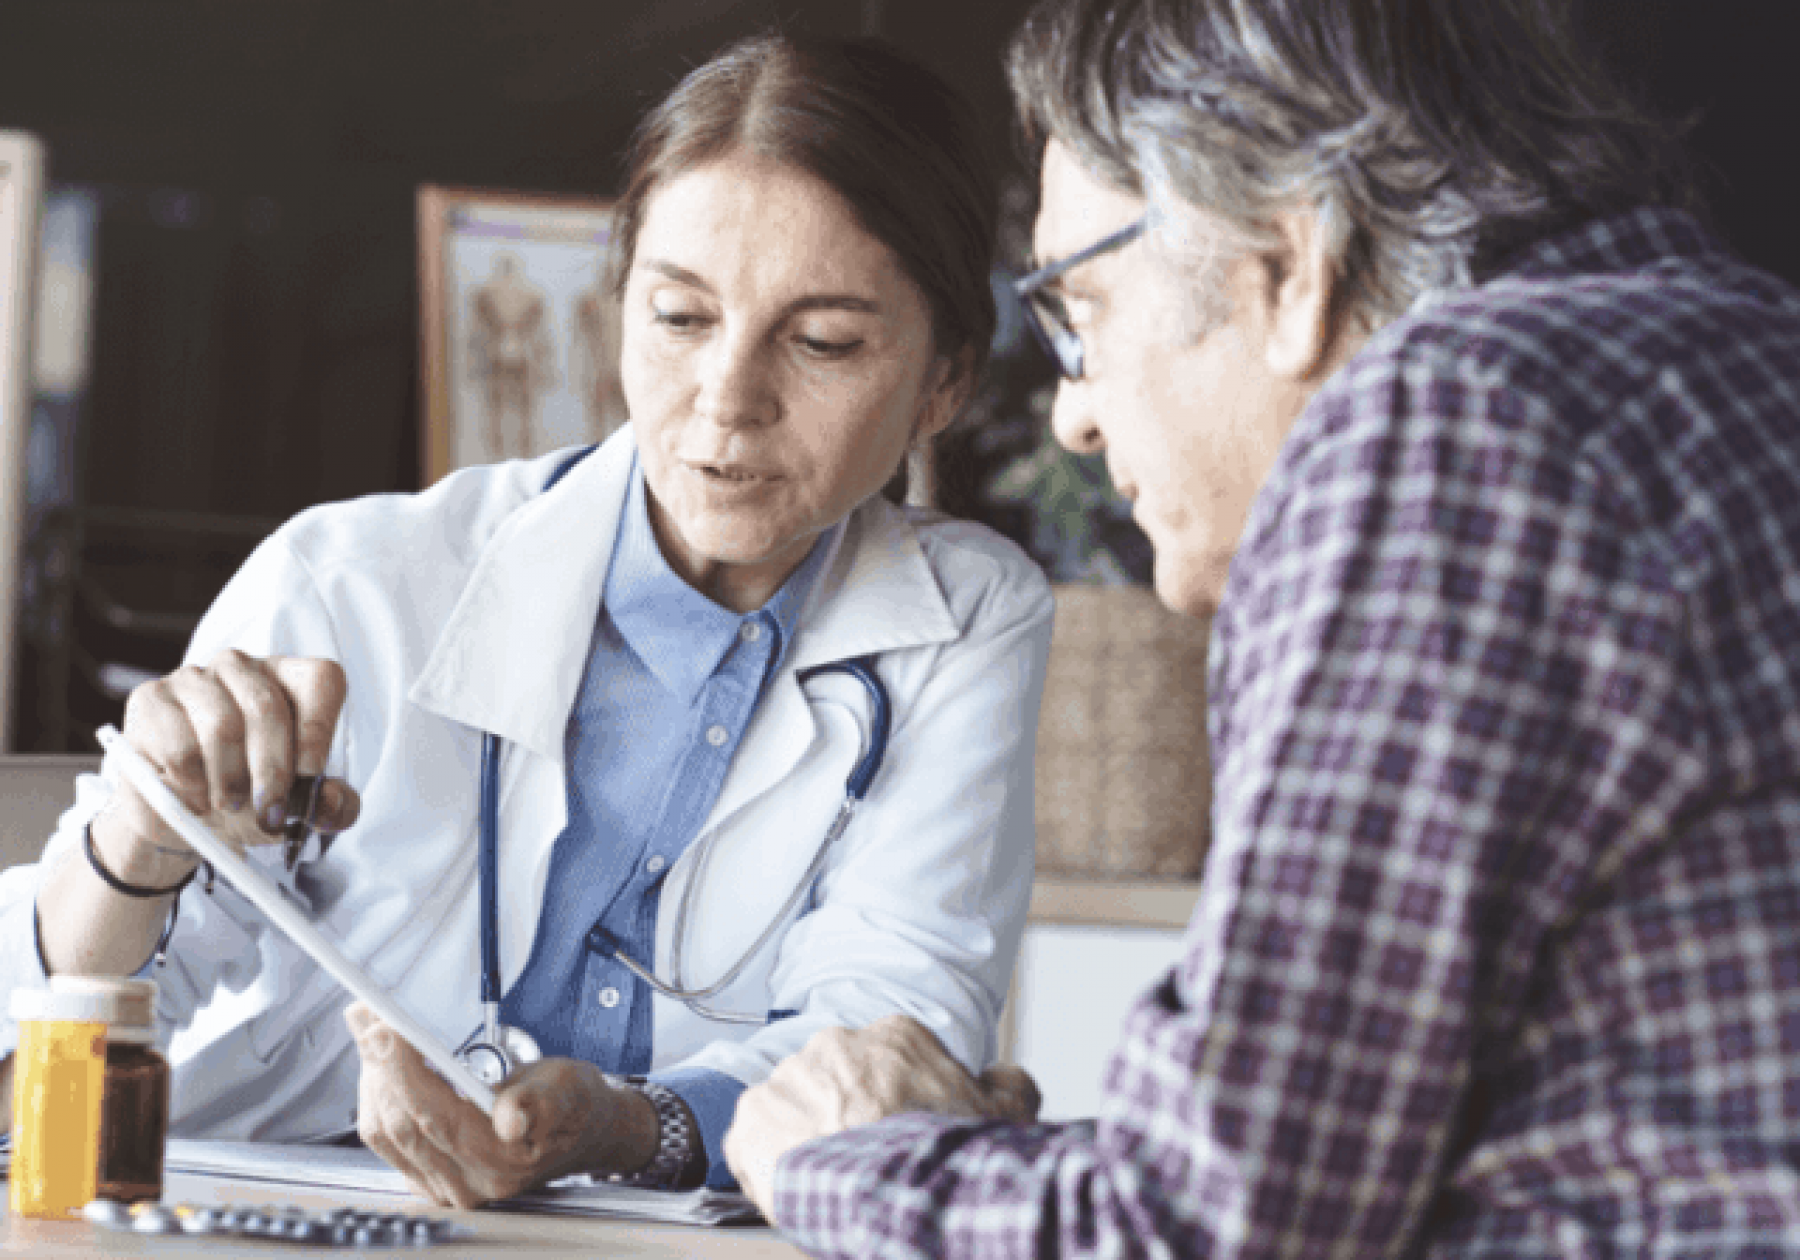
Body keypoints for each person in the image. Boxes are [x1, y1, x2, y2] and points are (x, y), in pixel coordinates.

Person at [723, 0, 1800, 1254]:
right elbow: (1345, 1175)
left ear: (1283, 267)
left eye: (1084, 310)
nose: (1073, 412)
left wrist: (846, 1160)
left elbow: (1220, 1225)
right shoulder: (1745, 354)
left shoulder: (1451, 426)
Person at [0, 33, 1053, 1208]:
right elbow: (61, 1026)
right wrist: (136, 845)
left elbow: (887, 1044)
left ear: (946, 381)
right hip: (268, 1209)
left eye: (823, 344)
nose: (728, 401)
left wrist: (617, 1126)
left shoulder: (966, 619)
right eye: (679, 318)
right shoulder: (354, 581)